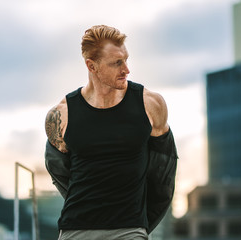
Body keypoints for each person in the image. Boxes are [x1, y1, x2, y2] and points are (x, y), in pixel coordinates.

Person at [44, 25, 178, 240]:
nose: (126, 69)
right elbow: (59, 171)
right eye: (117, 63)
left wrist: (142, 224)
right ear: (92, 66)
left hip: (129, 229)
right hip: (76, 229)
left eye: (126, 59)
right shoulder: (61, 115)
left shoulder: (151, 104)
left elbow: (163, 173)